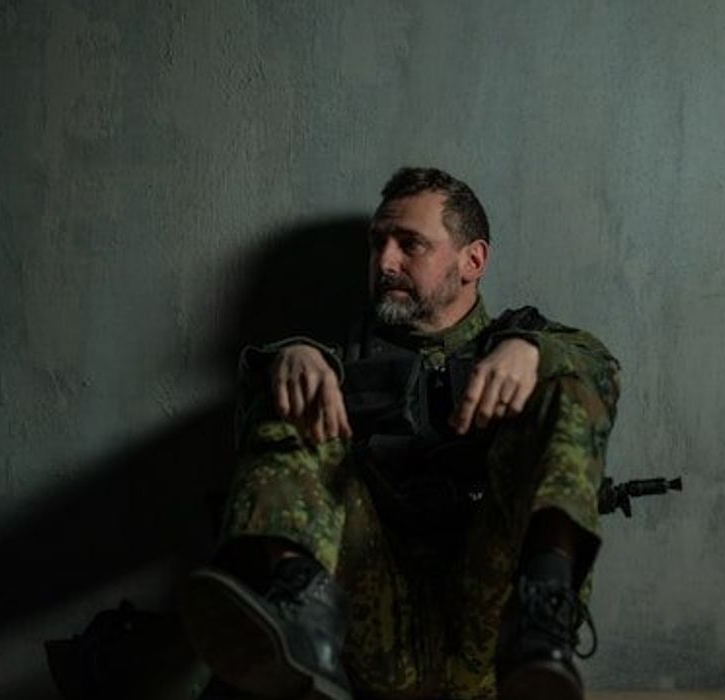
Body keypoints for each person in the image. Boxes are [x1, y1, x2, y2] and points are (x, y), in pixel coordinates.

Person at [180, 167, 620, 700]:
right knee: (299, 391)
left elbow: (601, 370)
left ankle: (544, 619)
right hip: (364, 625)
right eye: (378, 244)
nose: (385, 262)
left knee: (569, 385)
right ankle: (296, 625)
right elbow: (260, 432)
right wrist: (291, 358)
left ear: (472, 260)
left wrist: (536, 350)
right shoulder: (334, 363)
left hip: (494, 630)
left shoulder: (528, 346)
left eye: (410, 244)